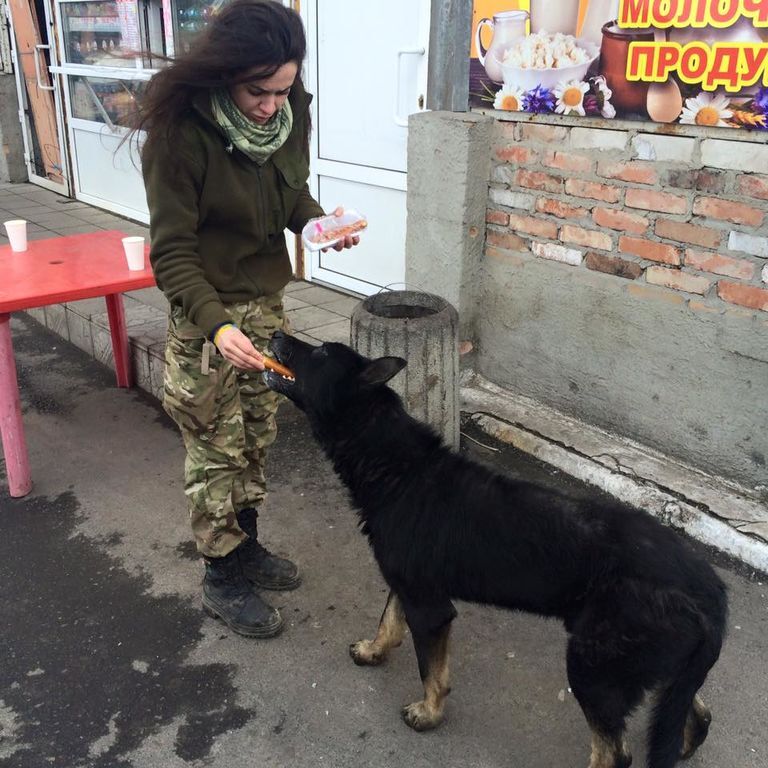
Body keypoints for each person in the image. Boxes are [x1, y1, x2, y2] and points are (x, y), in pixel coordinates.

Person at [135, 0, 358, 638]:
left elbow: (288, 192)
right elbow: (172, 252)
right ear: (225, 75)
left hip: (264, 304)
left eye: (283, 90)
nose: (270, 106)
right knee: (214, 448)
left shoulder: (289, 113)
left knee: (258, 434)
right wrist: (216, 325)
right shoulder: (181, 135)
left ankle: (247, 544)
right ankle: (221, 574)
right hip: (207, 316)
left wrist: (317, 226)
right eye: (257, 91)